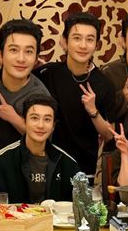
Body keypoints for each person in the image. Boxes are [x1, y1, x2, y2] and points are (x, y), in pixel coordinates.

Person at [34, 12, 115, 175]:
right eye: (77, 38)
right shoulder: (47, 73)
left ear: (97, 45)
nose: (83, 45)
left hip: (83, 170)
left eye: (90, 40)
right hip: (46, 166)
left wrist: (93, 111)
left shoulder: (104, 83)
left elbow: (109, 136)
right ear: (64, 41)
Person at [0, 94, 80, 204]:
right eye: (34, 118)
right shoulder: (3, 159)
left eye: (47, 119)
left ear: (53, 126)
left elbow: (81, 200)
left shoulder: (66, 162)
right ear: (24, 121)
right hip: (14, 216)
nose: (40, 125)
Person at [0, 19, 50, 160]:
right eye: (14, 50)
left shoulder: (41, 96)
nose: (21, 59)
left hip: (24, 164)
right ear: (0, 55)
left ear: (36, 59)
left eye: (29, 51)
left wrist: (15, 119)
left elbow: (44, 143)